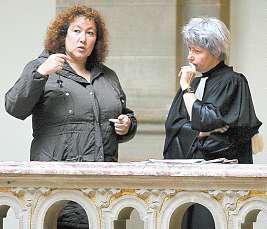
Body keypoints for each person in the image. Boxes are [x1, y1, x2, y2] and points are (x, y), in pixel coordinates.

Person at [5, 5, 137, 229]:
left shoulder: (107, 76)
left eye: (90, 33)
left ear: (97, 40)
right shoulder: (41, 67)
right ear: (63, 34)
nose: (83, 39)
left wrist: (127, 124)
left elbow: (123, 114)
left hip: (104, 183)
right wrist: (40, 74)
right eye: (76, 31)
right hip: (59, 183)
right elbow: (14, 107)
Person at [163, 17, 262, 229]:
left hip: (219, 181)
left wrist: (188, 92)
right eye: (189, 49)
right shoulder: (196, 82)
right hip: (189, 177)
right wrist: (202, 129)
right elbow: (174, 124)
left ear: (215, 51)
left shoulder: (233, 81)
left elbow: (207, 122)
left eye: (197, 51)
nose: (190, 57)